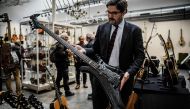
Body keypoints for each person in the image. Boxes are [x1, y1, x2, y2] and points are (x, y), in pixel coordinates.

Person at [76, 0, 145, 108]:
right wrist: (84, 50)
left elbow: (140, 56)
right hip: (101, 76)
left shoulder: (134, 30)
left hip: (122, 78)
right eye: (108, 12)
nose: (110, 16)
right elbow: (95, 49)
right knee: (99, 105)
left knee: (120, 106)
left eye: (114, 13)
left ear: (124, 12)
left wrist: (129, 73)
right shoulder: (102, 28)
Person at [85, 33, 95, 100]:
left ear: (88, 38)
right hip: (95, 64)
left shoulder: (89, 44)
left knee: (92, 80)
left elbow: (87, 55)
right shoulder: (94, 42)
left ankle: (94, 94)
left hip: (91, 65)